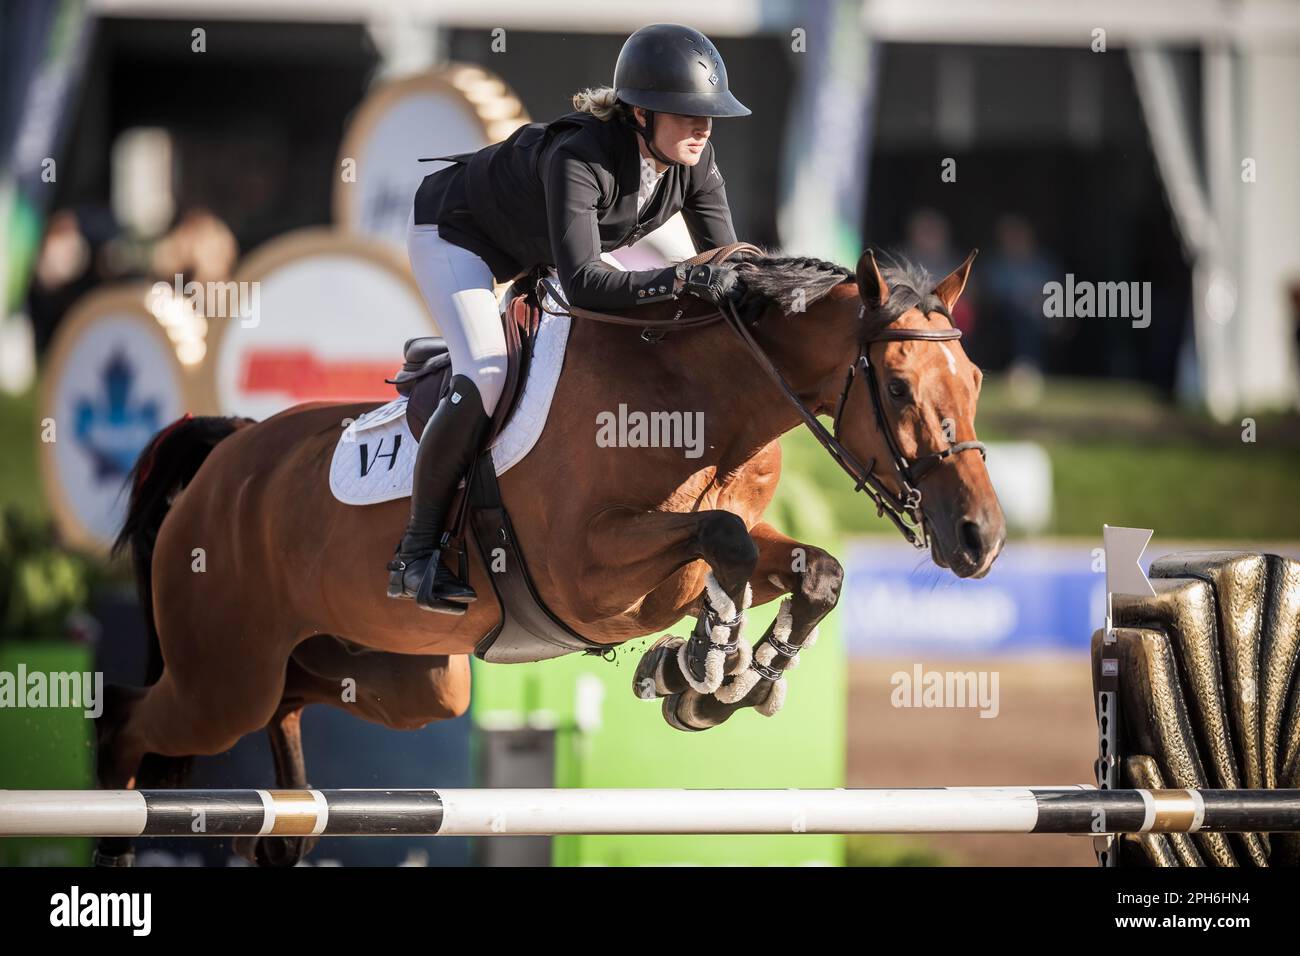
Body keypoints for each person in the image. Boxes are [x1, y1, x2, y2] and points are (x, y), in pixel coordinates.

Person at [391, 23, 752, 612]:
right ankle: (416, 552)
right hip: (457, 237)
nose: (703, 126)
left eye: (707, 114)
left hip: (536, 252)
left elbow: (731, 263)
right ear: (639, 113)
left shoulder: (694, 159)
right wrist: (681, 278)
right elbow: (585, 283)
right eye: (687, 113)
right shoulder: (579, 156)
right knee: (487, 370)